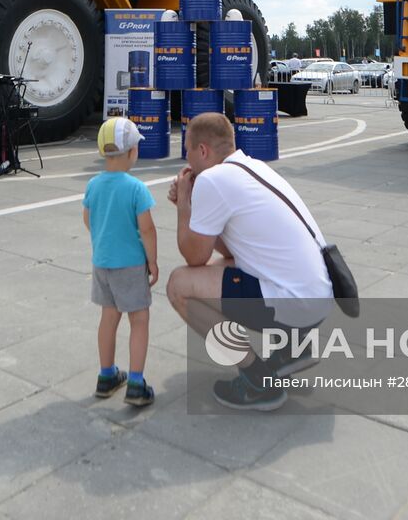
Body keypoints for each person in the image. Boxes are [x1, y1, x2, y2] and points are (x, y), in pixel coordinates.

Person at [166, 112, 332, 411]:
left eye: (187, 150)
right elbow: (229, 252)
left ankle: (256, 379)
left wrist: (183, 206)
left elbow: (193, 256)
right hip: (315, 297)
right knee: (218, 268)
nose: (186, 159)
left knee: (179, 286)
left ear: (202, 151)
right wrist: (195, 210)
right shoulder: (252, 167)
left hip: (294, 301)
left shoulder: (214, 180)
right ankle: (291, 348)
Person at [82, 117, 158, 407]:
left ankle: (106, 375)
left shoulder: (93, 185)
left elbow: (88, 219)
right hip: (130, 265)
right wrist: (153, 261)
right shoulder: (136, 189)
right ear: (131, 152)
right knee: (139, 320)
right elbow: (147, 230)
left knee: (108, 318)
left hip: (102, 263)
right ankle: (136, 383)